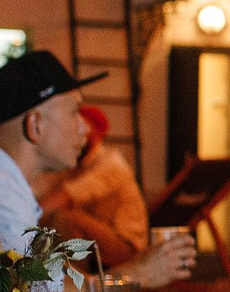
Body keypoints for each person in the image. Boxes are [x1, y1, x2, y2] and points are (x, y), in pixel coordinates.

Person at [0, 51, 194, 292]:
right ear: (35, 124)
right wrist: (140, 273)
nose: (85, 129)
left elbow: (47, 289)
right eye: (75, 113)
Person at [39, 104, 149, 269]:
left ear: (96, 132)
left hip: (127, 248)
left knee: (65, 219)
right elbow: (43, 191)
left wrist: (21, 223)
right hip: (98, 241)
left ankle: (76, 289)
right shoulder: (76, 165)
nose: (74, 134)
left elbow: (63, 197)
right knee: (52, 220)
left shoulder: (110, 163)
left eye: (81, 127)